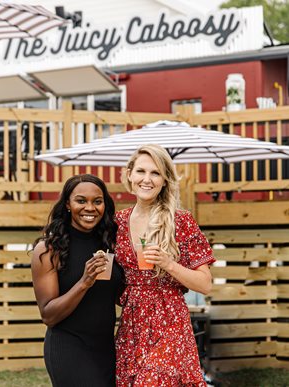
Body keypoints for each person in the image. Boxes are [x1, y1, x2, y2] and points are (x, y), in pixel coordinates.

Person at [114, 144, 215, 386]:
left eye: (155, 173)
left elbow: (206, 284)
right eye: (141, 171)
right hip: (131, 322)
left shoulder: (181, 221)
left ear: (165, 180)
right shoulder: (116, 221)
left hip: (169, 320)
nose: (146, 179)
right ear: (129, 174)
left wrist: (169, 263)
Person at [31, 174, 123, 387]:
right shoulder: (49, 250)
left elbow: (117, 297)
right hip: (69, 348)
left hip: (107, 349)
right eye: (81, 201)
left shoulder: (110, 243)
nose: (90, 208)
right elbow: (48, 315)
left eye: (97, 201)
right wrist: (84, 282)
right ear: (68, 204)